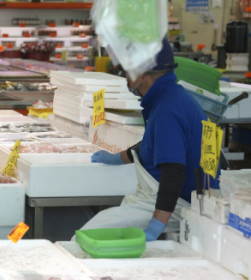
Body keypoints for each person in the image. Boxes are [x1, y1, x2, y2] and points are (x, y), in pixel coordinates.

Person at [80, 38, 220, 241]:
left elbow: (173, 173)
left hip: (180, 206)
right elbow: (153, 145)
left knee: (88, 236)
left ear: (140, 74)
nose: (126, 76)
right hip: (181, 198)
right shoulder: (172, 96)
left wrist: (155, 227)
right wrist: (116, 158)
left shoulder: (167, 111)